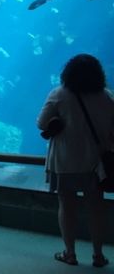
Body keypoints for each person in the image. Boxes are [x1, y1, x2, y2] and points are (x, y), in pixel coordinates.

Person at [37, 54, 114, 268]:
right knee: (97, 208)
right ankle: (98, 255)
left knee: (67, 205)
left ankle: (70, 253)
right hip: (96, 165)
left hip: (65, 162)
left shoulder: (59, 94)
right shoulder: (107, 97)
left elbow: (41, 123)